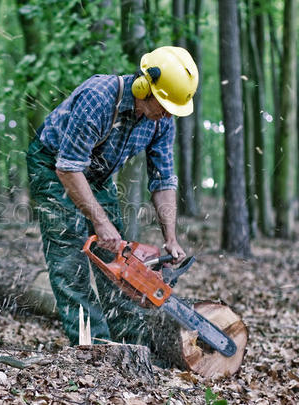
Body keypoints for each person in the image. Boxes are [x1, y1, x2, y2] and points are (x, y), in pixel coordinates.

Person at [26, 46, 199, 346]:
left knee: (119, 258)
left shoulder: (162, 120)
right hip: (53, 165)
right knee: (70, 261)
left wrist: (170, 237)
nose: (167, 114)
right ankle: (93, 348)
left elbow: (163, 178)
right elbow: (67, 168)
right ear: (144, 86)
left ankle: (130, 345)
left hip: (95, 172)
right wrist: (100, 222)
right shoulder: (99, 98)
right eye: (164, 104)